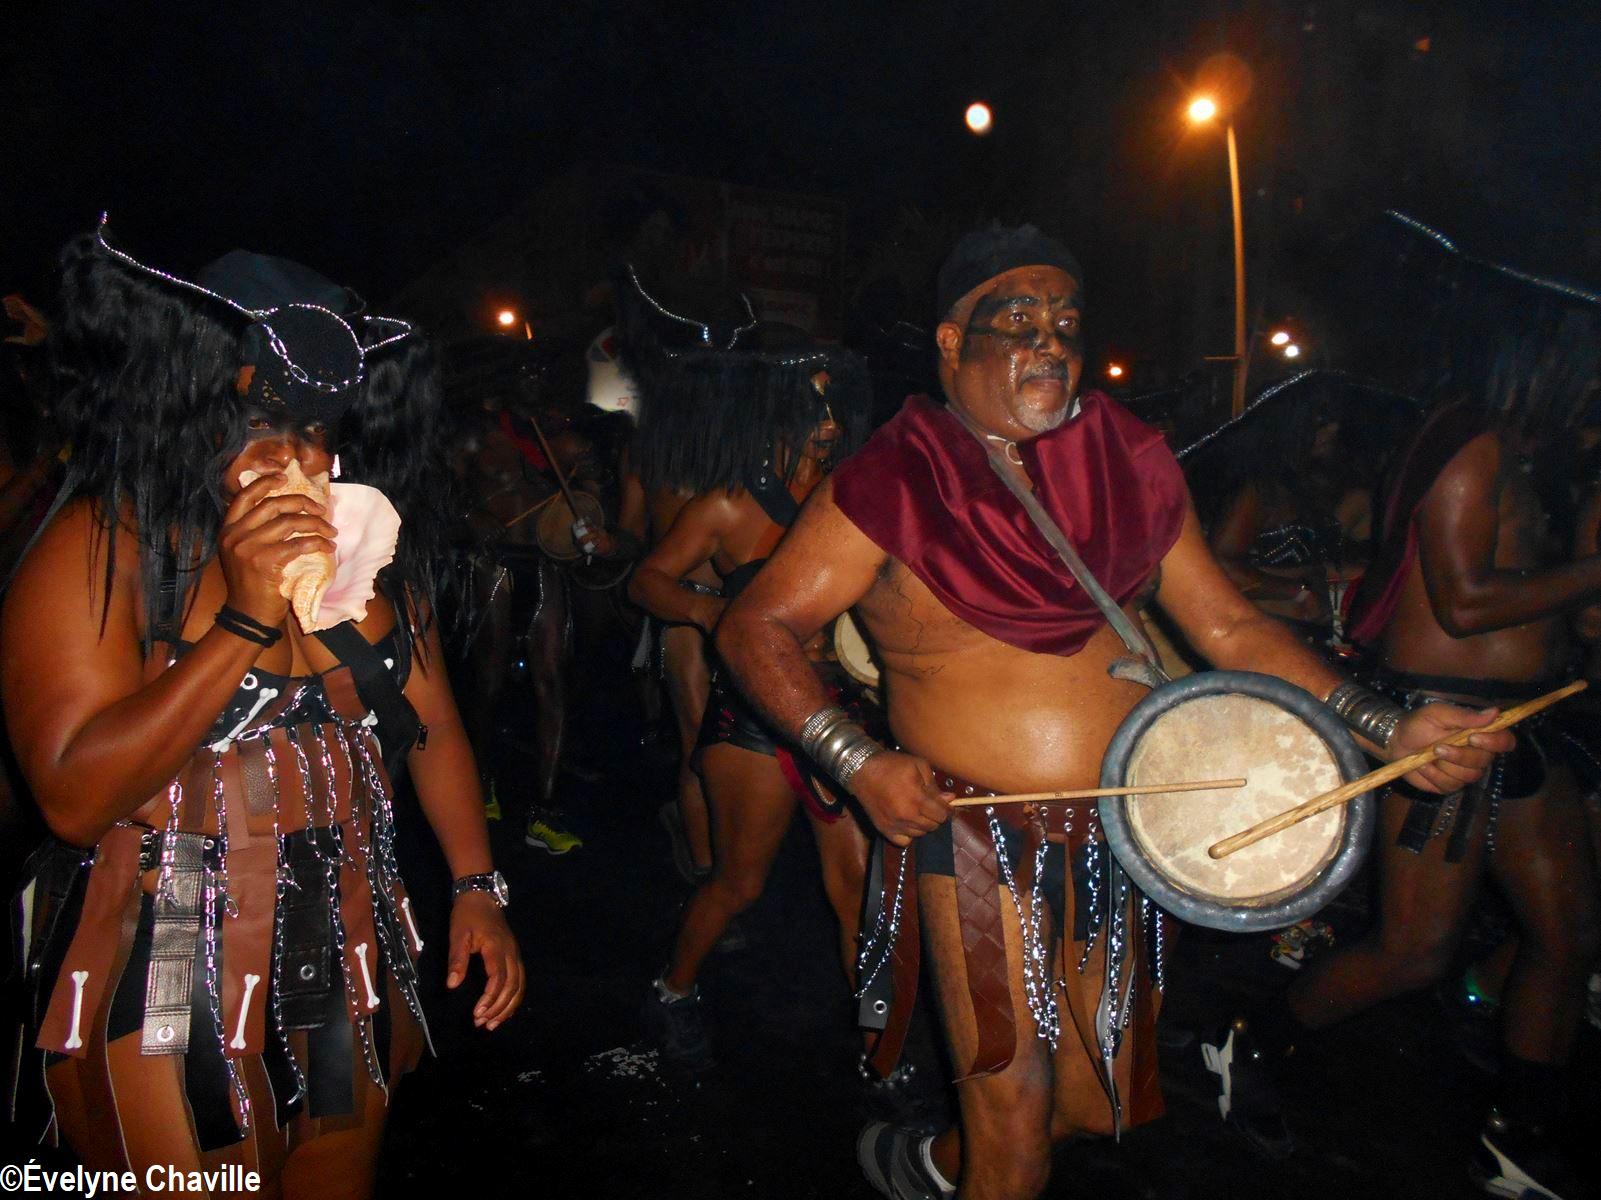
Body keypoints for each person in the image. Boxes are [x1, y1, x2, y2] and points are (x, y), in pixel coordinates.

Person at [713, 224, 1508, 1200]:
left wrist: (1387, 726)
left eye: (1065, 322)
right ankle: (972, 1160)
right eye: (1016, 321)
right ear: (951, 345)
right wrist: (858, 761)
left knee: (1086, 1109)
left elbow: (1229, 628)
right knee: (1015, 1127)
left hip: (1115, 839)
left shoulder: (1126, 466)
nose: (1049, 341)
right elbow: (753, 628)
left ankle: (928, 1162)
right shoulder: (886, 484)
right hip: (970, 841)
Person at [3, 223, 523, 1198]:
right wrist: (242, 620)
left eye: (317, 430)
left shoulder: (365, 549)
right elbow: (72, 797)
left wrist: (475, 886)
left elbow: (435, 724)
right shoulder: (108, 544)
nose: (298, 457)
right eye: (260, 423)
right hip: (161, 967)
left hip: (341, 954)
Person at [1223, 317, 1601, 1198]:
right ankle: (1253, 1040)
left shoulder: (1522, 455)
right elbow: (1464, 604)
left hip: (1515, 725)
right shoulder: (1468, 444)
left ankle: (1518, 1131)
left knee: (1569, 933)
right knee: (1412, 951)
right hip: (1444, 725)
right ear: (1539, 360)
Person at [626, 311, 876, 1074]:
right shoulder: (728, 505)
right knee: (739, 881)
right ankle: (673, 989)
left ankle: (878, 1044)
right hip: (754, 717)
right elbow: (646, 580)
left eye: (837, 408)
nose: (828, 425)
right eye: (813, 407)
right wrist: (712, 610)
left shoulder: (852, 501)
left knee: (859, 886)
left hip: (839, 710)